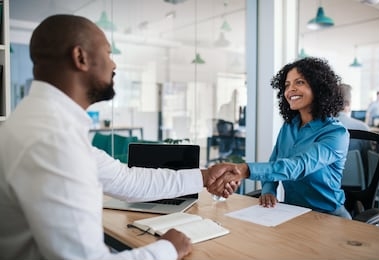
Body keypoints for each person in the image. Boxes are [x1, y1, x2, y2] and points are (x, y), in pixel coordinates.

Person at [0, 15, 238, 260]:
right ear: (80, 57)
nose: (114, 65)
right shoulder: (53, 140)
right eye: (108, 53)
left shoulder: (37, 123)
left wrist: (205, 176)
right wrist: (168, 249)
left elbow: (128, 180)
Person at [209, 57, 352, 219]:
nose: (290, 89)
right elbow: (274, 162)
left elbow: (297, 166)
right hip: (292, 213)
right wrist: (269, 190)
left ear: (318, 87)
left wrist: (244, 169)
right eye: (287, 85)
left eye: (299, 82)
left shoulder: (336, 134)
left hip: (329, 216)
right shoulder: (289, 126)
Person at [337, 83, 370, 151]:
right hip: (355, 161)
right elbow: (366, 158)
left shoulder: (319, 126)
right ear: (348, 103)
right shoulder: (363, 128)